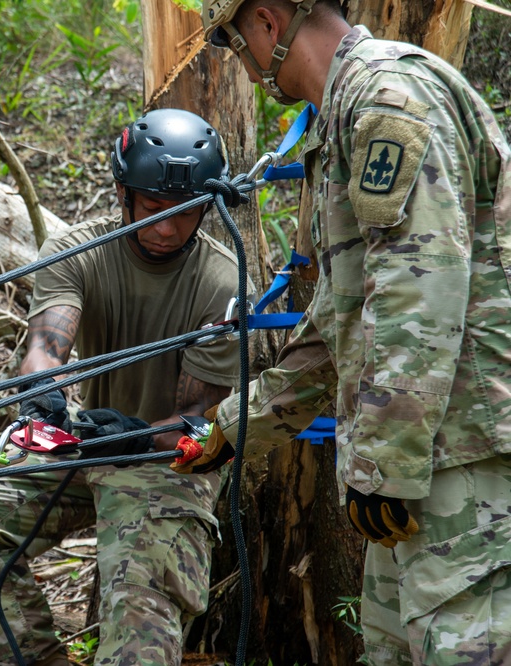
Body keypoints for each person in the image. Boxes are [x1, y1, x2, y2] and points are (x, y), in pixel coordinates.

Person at [175, 1, 511, 664]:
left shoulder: (388, 97)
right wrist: (235, 424)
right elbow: (338, 320)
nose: (242, 67)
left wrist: (384, 464)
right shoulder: (346, 116)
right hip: (418, 461)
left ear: (268, 23)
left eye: (236, 44)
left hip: (463, 458)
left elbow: (422, 285)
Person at [0, 109, 248, 666]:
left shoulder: (223, 282)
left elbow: (199, 419)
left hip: (170, 467)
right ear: (124, 194)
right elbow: (45, 348)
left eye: (187, 211)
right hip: (87, 447)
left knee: (140, 588)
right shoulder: (76, 251)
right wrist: (44, 396)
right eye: (153, 209)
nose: (168, 227)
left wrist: (133, 438)